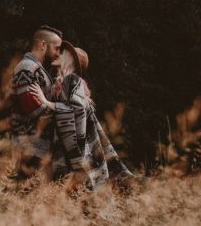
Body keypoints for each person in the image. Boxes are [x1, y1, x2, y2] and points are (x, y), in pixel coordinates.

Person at [29, 42, 134, 191]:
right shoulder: (61, 84)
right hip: (64, 151)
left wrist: (47, 103)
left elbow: (75, 110)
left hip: (74, 153)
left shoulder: (72, 81)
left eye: (63, 53)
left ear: (69, 61)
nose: (58, 54)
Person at [9, 25, 64, 179]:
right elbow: (33, 110)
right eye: (57, 48)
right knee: (25, 198)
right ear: (42, 45)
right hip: (28, 148)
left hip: (38, 149)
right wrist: (63, 110)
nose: (58, 53)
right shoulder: (27, 68)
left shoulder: (38, 69)